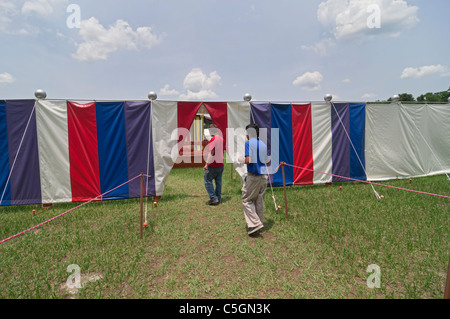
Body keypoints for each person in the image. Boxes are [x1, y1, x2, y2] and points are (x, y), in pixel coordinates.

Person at [238, 123, 270, 235]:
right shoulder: (263, 144)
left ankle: (255, 223)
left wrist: (241, 159)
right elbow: (267, 160)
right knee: (259, 200)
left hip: (253, 177)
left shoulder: (248, 143)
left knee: (246, 200)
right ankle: (259, 223)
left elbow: (249, 160)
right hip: (263, 177)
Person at [203, 124, 224, 205]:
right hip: (220, 164)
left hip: (213, 165)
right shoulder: (221, 139)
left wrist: (206, 164)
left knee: (208, 181)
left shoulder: (213, 140)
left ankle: (213, 198)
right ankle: (218, 198)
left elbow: (211, 153)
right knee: (218, 181)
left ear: (211, 131)